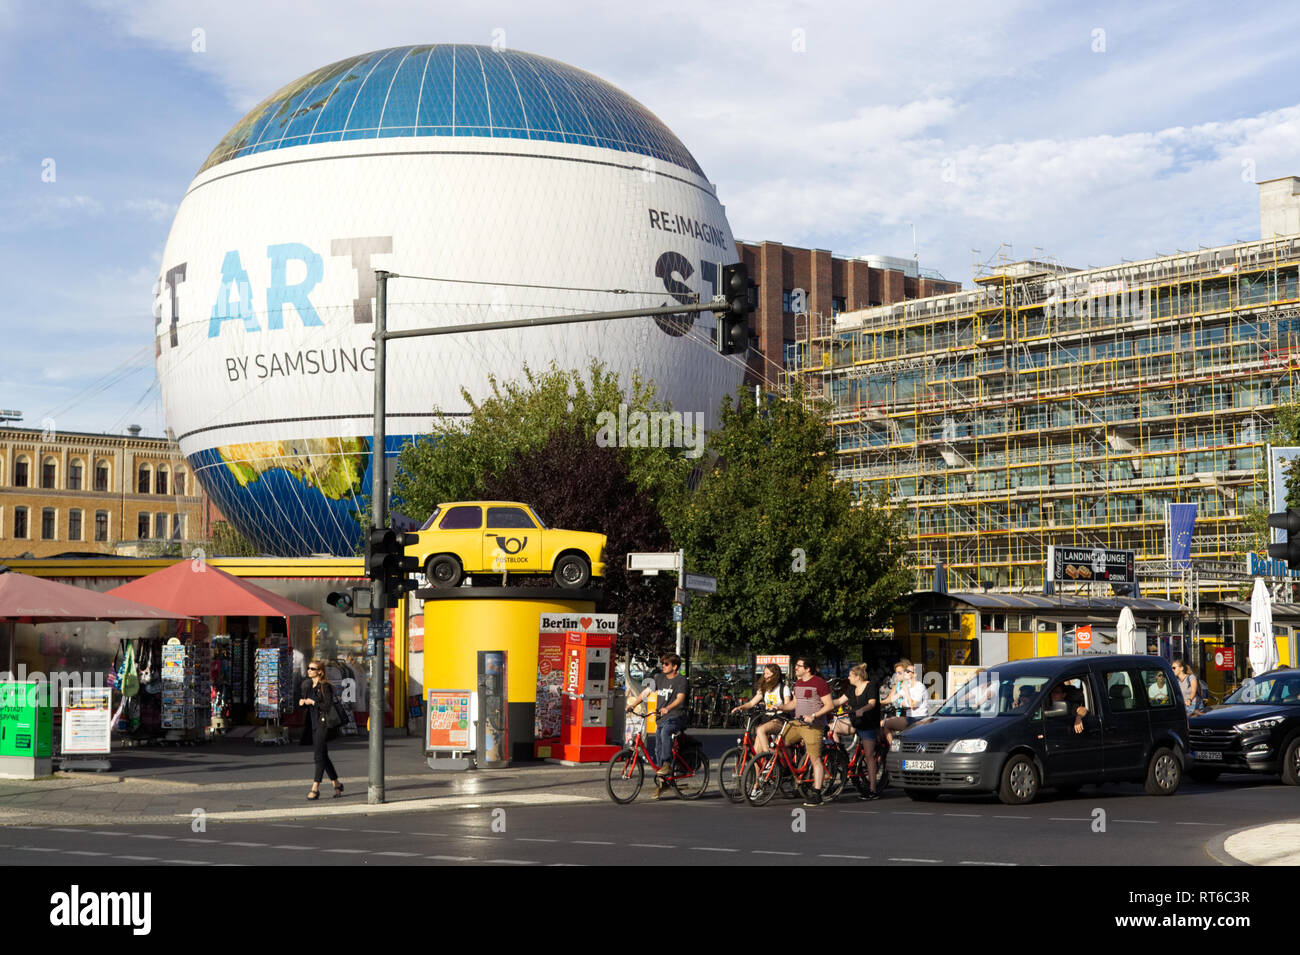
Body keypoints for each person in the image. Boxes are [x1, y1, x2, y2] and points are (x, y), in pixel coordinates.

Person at [627, 654, 688, 798]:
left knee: (665, 732)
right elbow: (646, 692)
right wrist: (633, 705)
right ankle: (663, 782)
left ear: (674, 667)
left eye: (666, 664)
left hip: (677, 716)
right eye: (663, 663)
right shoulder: (659, 678)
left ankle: (666, 764)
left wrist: (669, 708)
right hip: (662, 718)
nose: (663, 666)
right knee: (658, 748)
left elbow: (680, 699)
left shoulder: (681, 681)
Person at [779, 657, 834, 807]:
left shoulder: (819, 683)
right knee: (779, 743)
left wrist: (814, 716)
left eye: (798, 666)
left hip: (813, 725)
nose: (796, 668)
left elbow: (829, 705)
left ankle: (817, 793)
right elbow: (794, 703)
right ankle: (791, 771)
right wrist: (780, 707)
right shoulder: (798, 683)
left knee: (816, 759)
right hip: (797, 723)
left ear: (807, 669)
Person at [828, 663, 880, 800]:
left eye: (850, 675)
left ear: (857, 676)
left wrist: (863, 709)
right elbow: (839, 701)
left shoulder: (870, 686)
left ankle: (873, 789)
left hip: (868, 723)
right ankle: (841, 755)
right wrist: (825, 703)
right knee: (832, 727)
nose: (848, 678)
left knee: (869, 755)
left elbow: (872, 703)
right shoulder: (852, 688)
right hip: (854, 721)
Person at [298, 659, 343, 800]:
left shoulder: (325, 686)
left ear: (320, 672)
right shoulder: (310, 686)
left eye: (312, 668)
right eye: (308, 668)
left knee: (318, 756)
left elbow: (327, 706)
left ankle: (315, 788)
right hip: (314, 724)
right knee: (324, 756)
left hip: (324, 724)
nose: (309, 670)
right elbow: (310, 705)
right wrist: (303, 703)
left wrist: (313, 702)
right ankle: (337, 784)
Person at [730, 663, 792, 756]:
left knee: (760, 730)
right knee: (756, 754)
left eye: (767, 673)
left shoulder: (784, 688)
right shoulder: (764, 689)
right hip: (767, 719)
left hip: (780, 719)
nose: (765, 676)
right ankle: (759, 766)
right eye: (764, 673)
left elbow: (788, 706)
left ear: (775, 675)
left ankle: (769, 756)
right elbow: (751, 703)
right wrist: (740, 707)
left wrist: (779, 708)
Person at [881, 659, 929, 746]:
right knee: (885, 724)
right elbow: (893, 698)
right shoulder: (908, 686)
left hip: (920, 719)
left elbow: (913, 705)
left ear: (914, 674)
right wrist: (878, 703)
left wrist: (906, 692)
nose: (905, 673)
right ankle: (893, 748)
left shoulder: (920, 687)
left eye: (907, 671)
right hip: (909, 718)